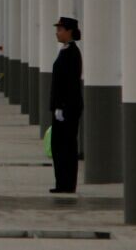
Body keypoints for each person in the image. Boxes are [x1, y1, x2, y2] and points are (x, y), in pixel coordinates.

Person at [49, 17, 83, 193]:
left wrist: (62, 106)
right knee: (58, 146)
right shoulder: (65, 50)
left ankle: (67, 184)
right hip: (62, 107)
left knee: (66, 146)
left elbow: (70, 84)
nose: (57, 32)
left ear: (69, 31)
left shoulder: (72, 53)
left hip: (68, 108)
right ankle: (62, 182)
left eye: (60, 29)